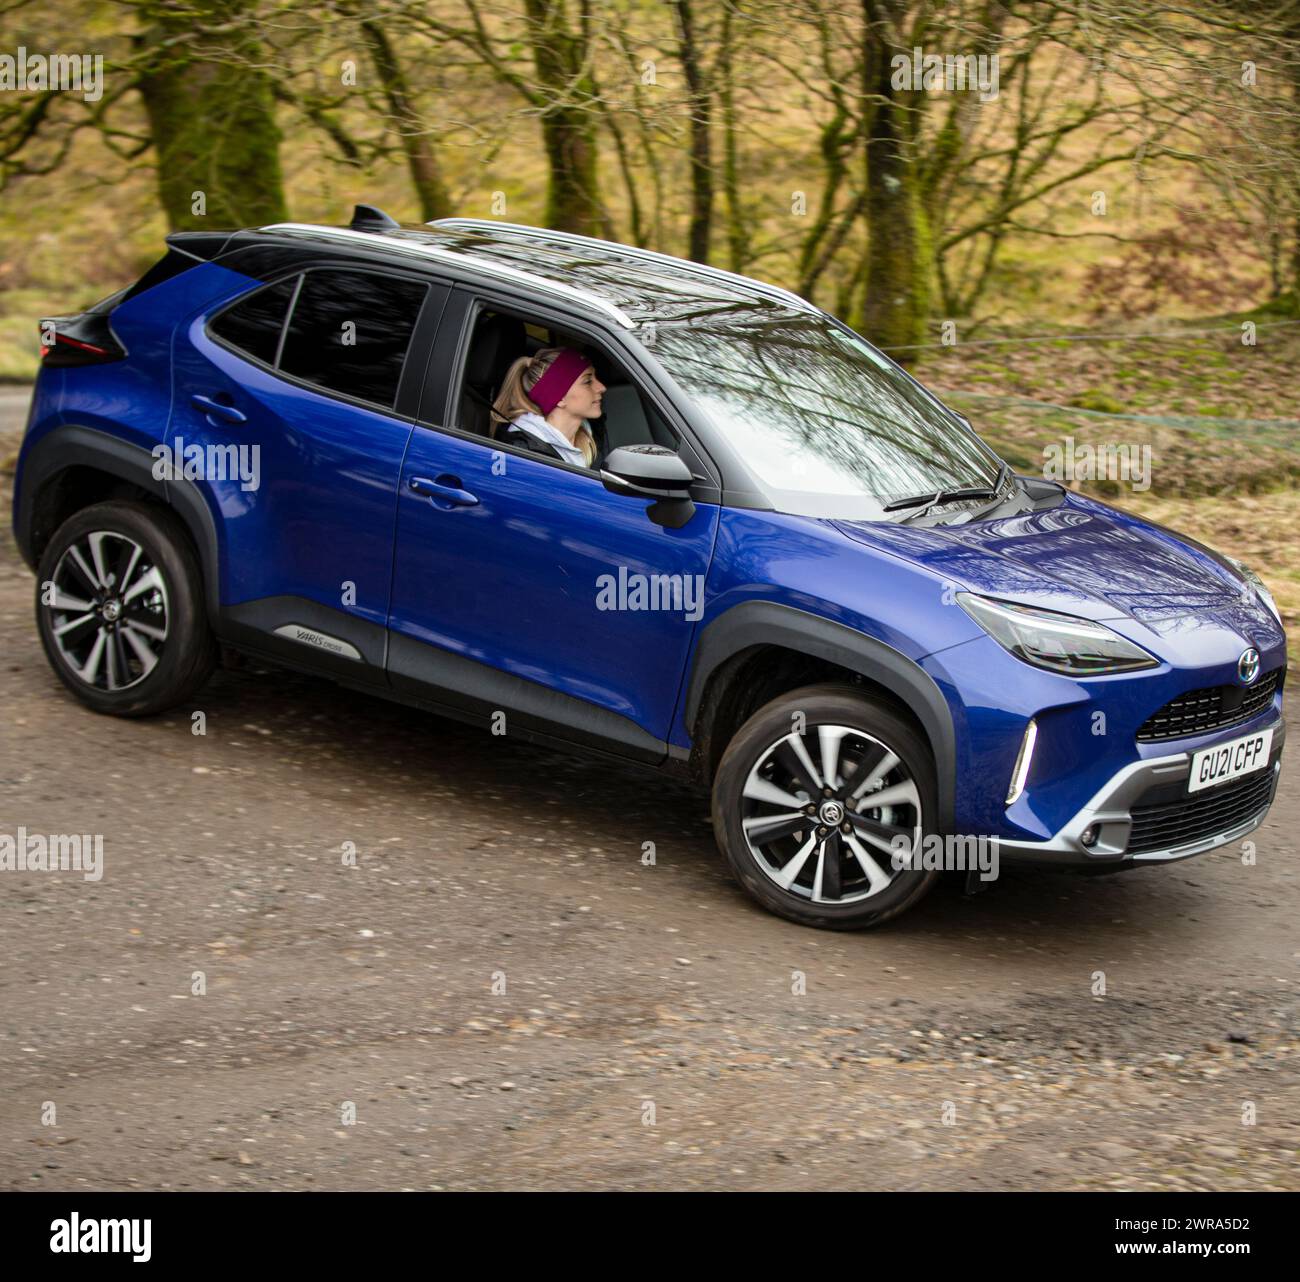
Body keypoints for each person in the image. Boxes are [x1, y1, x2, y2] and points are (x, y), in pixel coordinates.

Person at [491, 346, 605, 467]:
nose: (602, 387)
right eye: (587, 382)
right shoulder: (525, 456)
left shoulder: (589, 437)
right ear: (560, 397)